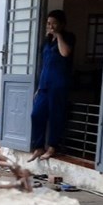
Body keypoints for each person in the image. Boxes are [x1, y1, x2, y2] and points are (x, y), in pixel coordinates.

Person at [29, 10, 75, 161]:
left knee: (56, 115)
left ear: (62, 24)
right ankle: (38, 147)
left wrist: (59, 36)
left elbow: (65, 53)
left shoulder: (68, 37)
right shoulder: (46, 41)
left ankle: (52, 147)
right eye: (49, 23)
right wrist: (38, 87)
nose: (51, 26)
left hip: (59, 84)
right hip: (44, 84)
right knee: (36, 114)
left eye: (54, 23)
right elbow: (44, 64)